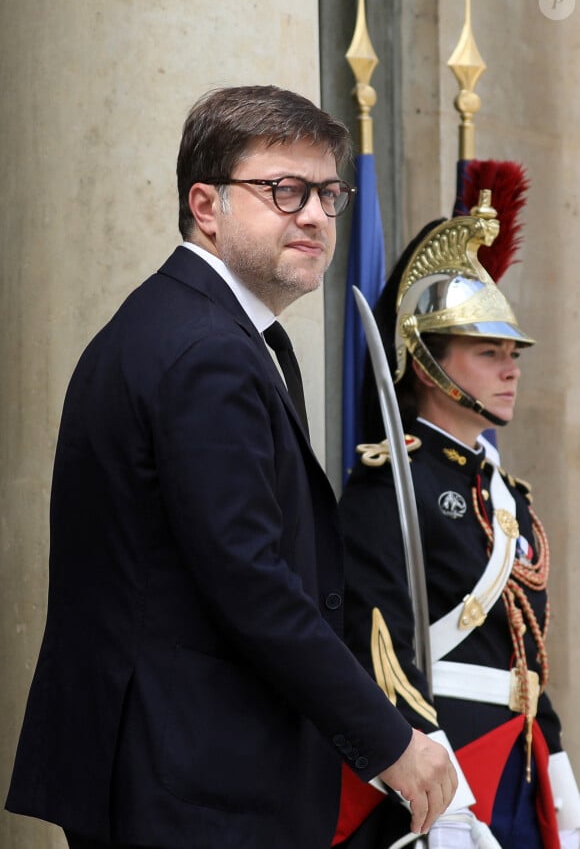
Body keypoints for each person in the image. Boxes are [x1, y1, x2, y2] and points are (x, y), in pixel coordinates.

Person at [5, 85, 457, 849]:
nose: (314, 215)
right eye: (283, 190)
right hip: (191, 782)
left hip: (175, 769)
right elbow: (252, 582)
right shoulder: (205, 350)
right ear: (206, 206)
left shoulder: (186, 326)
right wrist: (389, 743)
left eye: (328, 193)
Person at [334, 193, 580, 848]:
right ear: (427, 364)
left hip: (517, 768)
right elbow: (381, 654)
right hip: (443, 770)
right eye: (486, 352)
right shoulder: (389, 484)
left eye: (515, 354)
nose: (511, 371)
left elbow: (526, 655)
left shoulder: (508, 497)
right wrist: (443, 800)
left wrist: (558, 773)